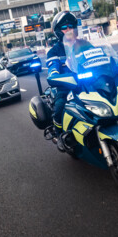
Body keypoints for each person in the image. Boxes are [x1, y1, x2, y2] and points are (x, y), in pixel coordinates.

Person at [46, 11, 78, 152]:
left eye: (71, 26)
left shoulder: (84, 44)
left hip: (89, 83)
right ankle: (59, 135)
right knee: (59, 107)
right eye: (65, 27)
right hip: (67, 86)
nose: (69, 29)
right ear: (59, 31)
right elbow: (53, 68)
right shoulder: (54, 51)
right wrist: (55, 75)